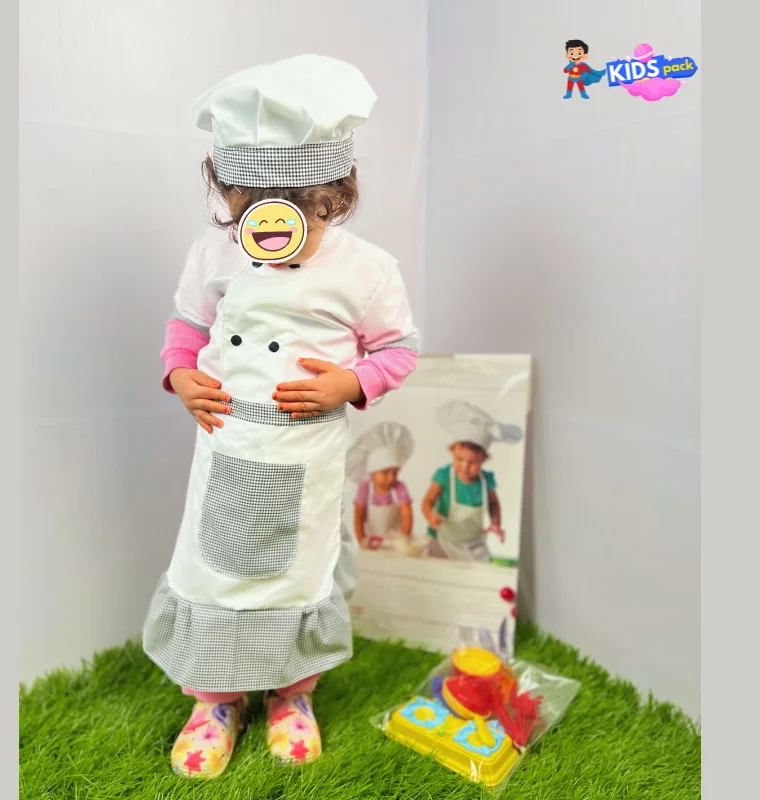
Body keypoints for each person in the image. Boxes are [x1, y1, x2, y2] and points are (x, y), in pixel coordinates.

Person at [142, 56, 419, 779]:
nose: (272, 221)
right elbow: (186, 325)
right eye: (252, 202)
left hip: (308, 457)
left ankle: (292, 695)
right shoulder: (214, 253)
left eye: (298, 201)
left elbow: (398, 350)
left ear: (336, 192)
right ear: (226, 191)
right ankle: (213, 701)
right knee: (214, 574)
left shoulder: (368, 269)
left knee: (298, 575)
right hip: (229, 446)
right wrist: (180, 373)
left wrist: (352, 382)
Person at [422, 401, 521, 561]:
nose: (465, 466)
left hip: (474, 544)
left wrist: (495, 523)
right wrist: (430, 515)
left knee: (480, 569)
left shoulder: (486, 481)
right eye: (459, 459)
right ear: (452, 451)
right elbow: (428, 501)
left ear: (484, 459)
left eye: (472, 462)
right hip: (442, 539)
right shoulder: (444, 476)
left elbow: (494, 504)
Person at [346, 422, 415, 552]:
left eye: (395, 473)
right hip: (371, 545)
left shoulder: (399, 488)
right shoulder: (364, 489)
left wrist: (404, 538)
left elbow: (407, 515)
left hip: (396, 545)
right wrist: (362, 540)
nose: (391, 477)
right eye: (385, 472)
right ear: (372, 472)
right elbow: (358, 517)